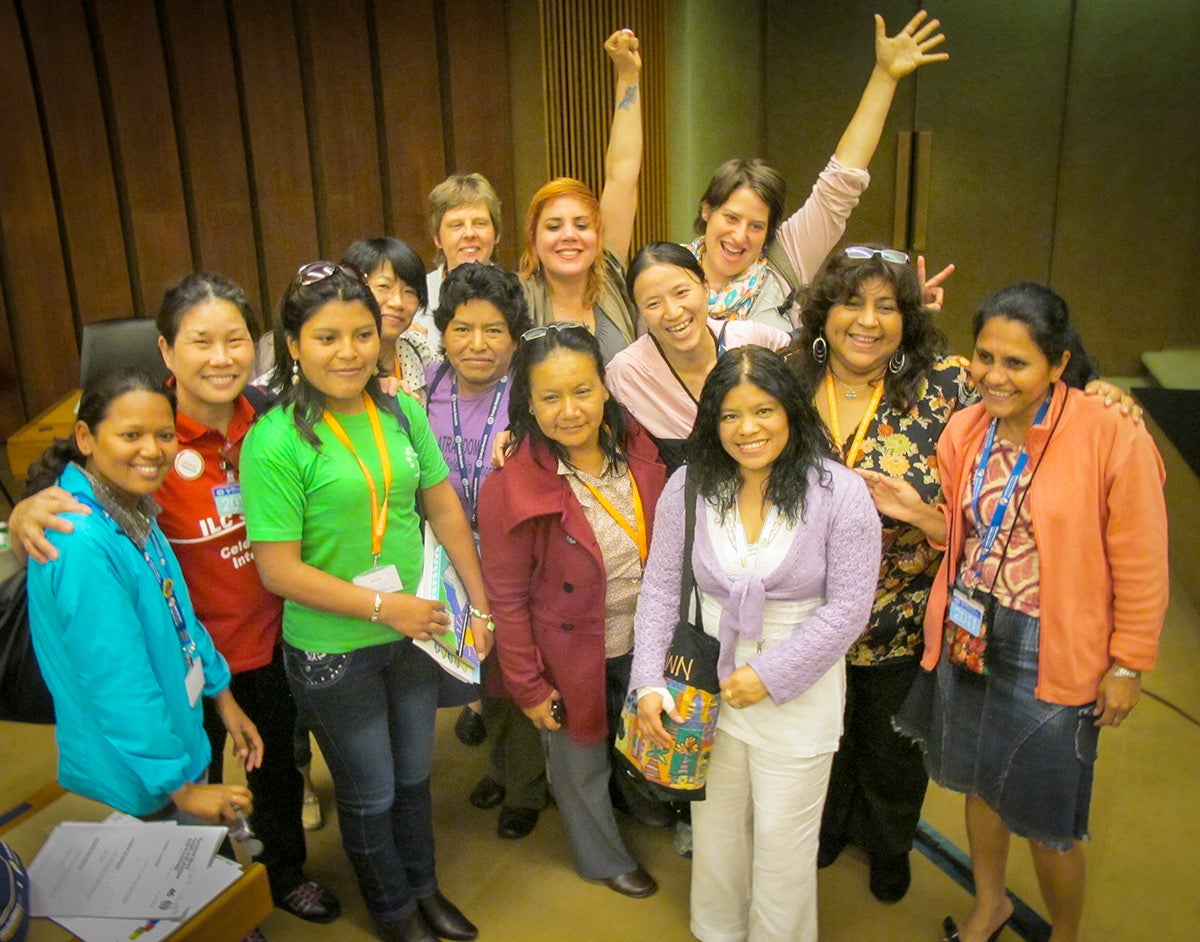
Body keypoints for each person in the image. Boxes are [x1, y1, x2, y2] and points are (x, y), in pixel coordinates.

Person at [11, 275, 341, 926]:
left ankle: (283, 875)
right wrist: (25, 510)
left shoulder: (275, 418)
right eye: (200, 341)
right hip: (172, 665)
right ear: (167, 351)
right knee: (176, 792)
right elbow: (64, 494)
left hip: (262, 643)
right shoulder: (141, 427)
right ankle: (199, 898)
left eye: (236, 340)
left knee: (272, 770)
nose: (220, 357)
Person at [874, 284, 1168, 942]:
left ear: (1058, 365)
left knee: (1045, 815)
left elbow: (1144, 562)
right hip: (971, 630)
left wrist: (1128, 664)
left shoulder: (1108, 432)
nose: (993, 376)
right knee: (980, 784)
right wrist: (918, 513)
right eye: (984, 357)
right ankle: (990, 905)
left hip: (1054, 644)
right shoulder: (967, 429)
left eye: (1016, 363)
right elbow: (968, 533)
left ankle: (1064, 933)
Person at [239, 261, 492, 942]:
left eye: (361, 335)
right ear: (292, 345)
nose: (348, 353)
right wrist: (386, 610)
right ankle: (394, 912)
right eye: (326, 338)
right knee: (370, 791)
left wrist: (481, 602)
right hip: (334, 650)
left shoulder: (401, 411)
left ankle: (426, 890)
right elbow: (278, 570)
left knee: (414, 780)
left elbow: (440, 505)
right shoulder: (275, 441)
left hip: (415, 632)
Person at [631, 346, 881, 942]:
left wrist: (770, 674)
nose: (748, 430)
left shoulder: (840, 493)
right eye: (731, 415)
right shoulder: (689, 485)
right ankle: (717, 931)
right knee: (714, 831)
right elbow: (662, 588)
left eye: (764, 411)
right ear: (711, 423)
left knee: (783, 844)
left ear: (791, 411)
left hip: (799, 693)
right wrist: (646, 682)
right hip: (704, 689)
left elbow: (849, 608)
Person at [24, 368, 263, 826]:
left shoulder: (132, 507)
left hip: (177, 740)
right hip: (139, 776)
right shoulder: (79, 541)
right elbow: (119, 682)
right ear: (86, 437)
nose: (152, 451)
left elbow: (180, 616)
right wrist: (181, 787)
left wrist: (222, 695)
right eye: (130, 435)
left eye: (164, 435)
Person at [477, 322, 666, 897]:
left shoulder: (638, 446)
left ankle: (639, 807)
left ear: (605, 387)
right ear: (528, 405)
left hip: (645, 639)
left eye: (582, 391)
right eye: (550, 397)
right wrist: (529, 687)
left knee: (636, 738)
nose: (569, 410)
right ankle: (602, 857)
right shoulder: (511, 487)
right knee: (579, 763)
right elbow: (506, 601)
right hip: (569, 650)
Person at [689, 10, 950, 330]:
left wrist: (886, 75)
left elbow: (840, 183)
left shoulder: (785, 257)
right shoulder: (668, 270)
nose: (740, 236)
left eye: (756, 226)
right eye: (731, 218)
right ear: (706, 211)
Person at [423, 262, 547, 839]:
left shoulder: (531, 386)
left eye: (494, 329)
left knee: (517, 668)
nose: (477, 344)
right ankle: (502, 768)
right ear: (442, 331)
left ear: (514, 333)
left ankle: (526, 787)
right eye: (463, 328)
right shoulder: (423, 386)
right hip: (446, 554)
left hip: (519, 555)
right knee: (484, 671)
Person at [609, 242, 792, 470]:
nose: (673, 312)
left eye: (681, 292)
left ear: (705, 287)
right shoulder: (627, 373)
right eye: (653, 303)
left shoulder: (749, 339)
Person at [519, 29, 643, 364]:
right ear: (534, 237)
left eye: (581, 224)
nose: (569, 235)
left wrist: (627, 74)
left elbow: (623, 174)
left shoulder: (612, 279)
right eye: (554, 226)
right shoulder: (515, 300)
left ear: (598, 234)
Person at [343, 238, 437, 403]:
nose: (397, 303)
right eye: (384, 287)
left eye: (409, 292)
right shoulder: (340, 357)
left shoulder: (418, 349)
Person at [420, 173, 504, 342]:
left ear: (497, 234)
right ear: (437, 238)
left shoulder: (520, 295)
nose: (469, 233)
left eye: (479, 223)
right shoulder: (416, 298)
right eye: (456, 225)